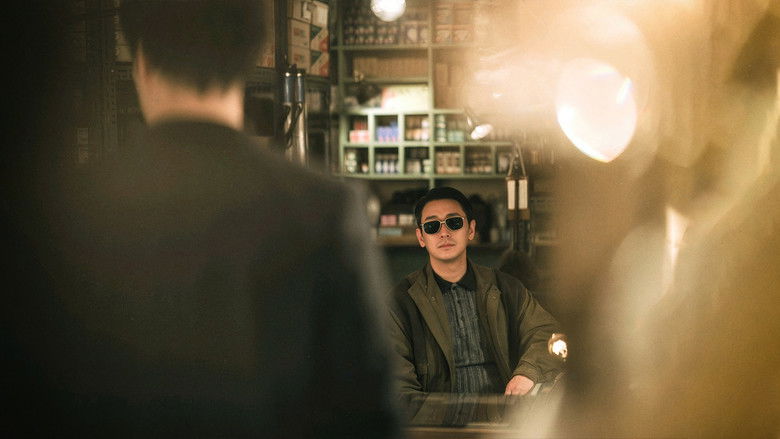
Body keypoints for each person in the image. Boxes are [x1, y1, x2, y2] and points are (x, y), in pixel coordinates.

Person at [6, 1, 400, 437]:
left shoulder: (57, 211)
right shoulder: (325, 209)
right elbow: (368, 416)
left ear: (141, 62)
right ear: (251, 56)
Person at [386, 186, 564, 396]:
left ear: (470, 230)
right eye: (432, 226)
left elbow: (548, 335)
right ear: (421, 237)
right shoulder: (402, 302)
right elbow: (397, 382)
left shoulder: (507, 288)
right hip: (436, 415)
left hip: (504, 409)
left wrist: (527, 373)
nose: (444, 233)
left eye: (454, 222)